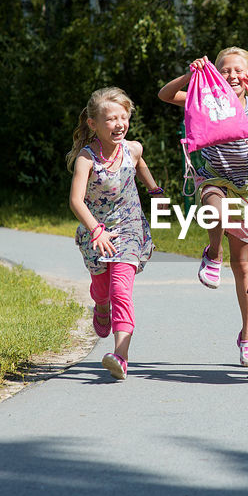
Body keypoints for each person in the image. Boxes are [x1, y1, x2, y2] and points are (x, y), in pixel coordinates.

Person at [158, 48, 248, 367]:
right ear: (216, 74)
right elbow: (166, 95)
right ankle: (213, 251)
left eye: (239, 70)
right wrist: (190, 74)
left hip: (247, 187)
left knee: (244, 265)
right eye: (225, 70)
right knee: (216, 210)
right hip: (213, 178)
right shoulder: (204, 99)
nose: (232, 76)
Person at [68, 87, 158, 380]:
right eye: (110, 119)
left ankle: (121, 355)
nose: (119, 124)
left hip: (130, 229)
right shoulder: (87, 158)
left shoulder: (132, 149)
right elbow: (76, 201)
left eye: (124, 117)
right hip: (97, 232)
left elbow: (140, 164)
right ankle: (101, 306)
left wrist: (153, 188)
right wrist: (96, 230)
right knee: (103, 290)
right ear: (93, 124)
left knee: (122, 290)